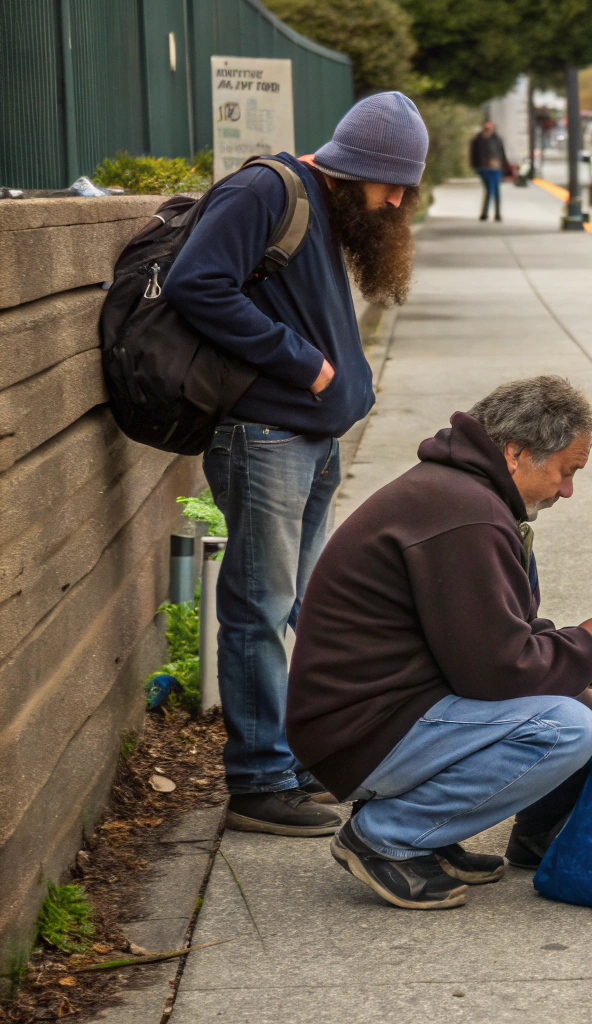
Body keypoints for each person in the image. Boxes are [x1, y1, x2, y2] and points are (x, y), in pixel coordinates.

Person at [162, 91, 427, 837]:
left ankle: (300, 760)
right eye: (390, 184)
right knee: (259, 608)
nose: (397, 200)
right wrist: (304, 364)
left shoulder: (323, 203)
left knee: (309, 605)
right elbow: (195, 283)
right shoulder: (264, 190)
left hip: (310, 440)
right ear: (354, 166)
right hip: (265, 435)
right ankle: (257, 782)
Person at [286, 376, 592, 910]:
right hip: (358, 733)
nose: (567, 490)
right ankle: (386, 835)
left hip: (376, 715)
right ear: (516, 453)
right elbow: (495, 671)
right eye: (567, 471)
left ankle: (430, 833)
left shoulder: (461, 495)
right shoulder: (465, 514)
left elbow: (512, 636)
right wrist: (587, 647)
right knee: (564, 730)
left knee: (579, 715)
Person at [469, 120, 508, 221]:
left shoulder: (497, 140)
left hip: (495, 168)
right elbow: (473, 155)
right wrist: (475, 167)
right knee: (489, 189)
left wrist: (505, 168)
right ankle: (485, 213)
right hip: (484, 168)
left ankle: (497, 213)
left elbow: (502, 154)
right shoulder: (477, 140)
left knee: (496, 191)